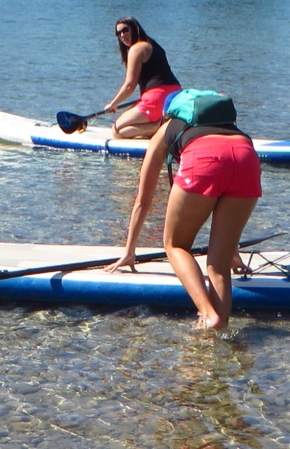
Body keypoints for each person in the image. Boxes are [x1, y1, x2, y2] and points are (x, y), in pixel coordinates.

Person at [104, 96, 260, 330]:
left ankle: (208, 315)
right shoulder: (230, 129)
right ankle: (221, 327)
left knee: (176, 245)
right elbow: (228, 170)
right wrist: (231, 252)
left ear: (169, 114)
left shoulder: (166, 129)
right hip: (247, 156)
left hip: (204, 159)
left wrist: (129, 251)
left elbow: (143, 201)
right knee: (219, 263)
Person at [107, 17, 180, 139]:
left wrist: (113, 103)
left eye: (125, 30)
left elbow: (129, 86)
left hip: (157, 98)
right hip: (175, 96)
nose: (122, 35)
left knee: (117, 130)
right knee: (129, 119)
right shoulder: (153, 44)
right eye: (118, 33)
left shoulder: (137, 48)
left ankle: (158, 126)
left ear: (135, 29)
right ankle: (160, 125)